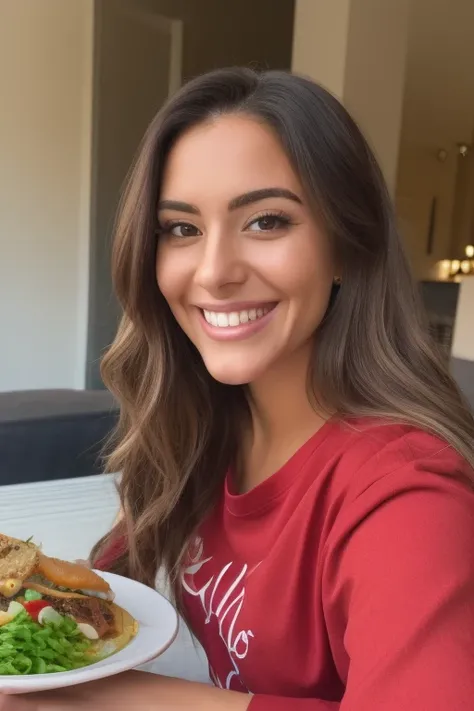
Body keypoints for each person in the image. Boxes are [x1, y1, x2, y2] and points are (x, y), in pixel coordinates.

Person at [8, 67, 474, 710]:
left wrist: (107, 701)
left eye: (266, 221)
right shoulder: (204, 426)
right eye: (181, 228)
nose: (215, 271)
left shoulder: (406, 492)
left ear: (346, 243)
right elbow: (105, 594)